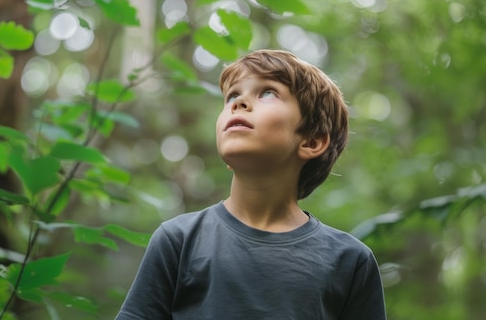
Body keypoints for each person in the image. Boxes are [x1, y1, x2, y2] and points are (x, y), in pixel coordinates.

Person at [115, 49, 386, 320]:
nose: (239, 102)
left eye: (268, 92)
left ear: (311, 141)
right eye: (232, 95)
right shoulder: (179, 240)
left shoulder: (350, 261)